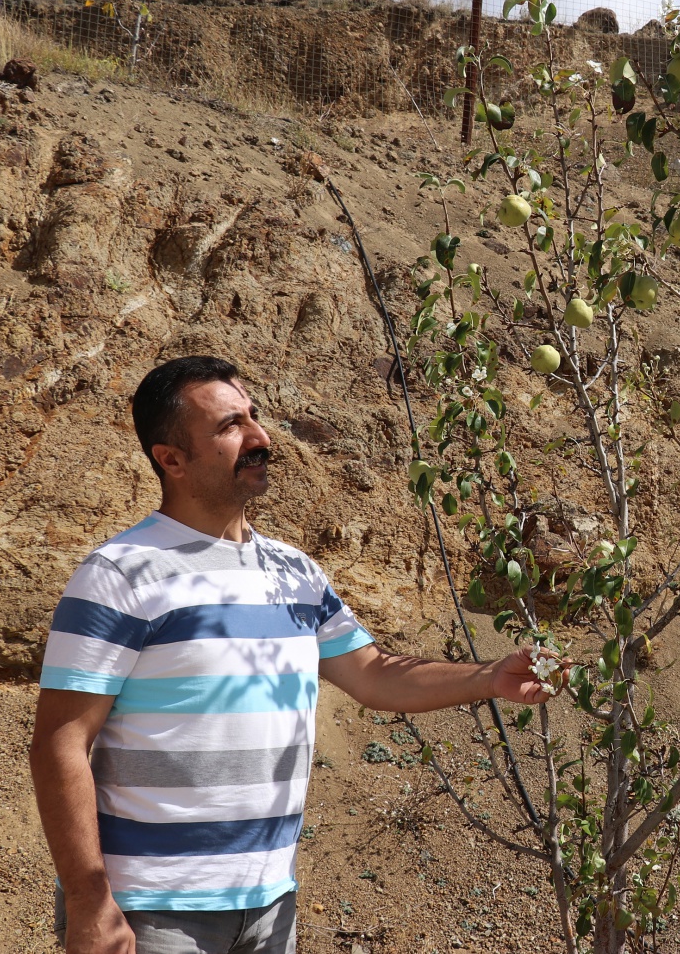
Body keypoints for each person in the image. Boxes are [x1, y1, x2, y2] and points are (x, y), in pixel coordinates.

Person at [29, 356, 553, 954]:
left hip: (270, 907)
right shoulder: (120, 575)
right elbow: (59, 743)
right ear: (170, 459)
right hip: (150, 909)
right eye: (231, 426)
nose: (260, 438)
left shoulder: (294, 573)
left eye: (253, 416)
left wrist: (490, 676)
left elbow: (374, 675)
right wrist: (88, 900)